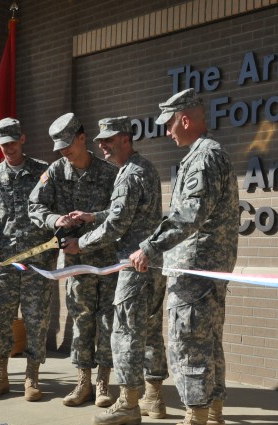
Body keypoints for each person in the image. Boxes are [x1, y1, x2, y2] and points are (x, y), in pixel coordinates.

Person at [129, 88, 239, 425]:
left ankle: (196, 416)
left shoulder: (204, 158)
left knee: (187, 342)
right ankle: (213, 413)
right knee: (207, 342)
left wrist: (149, 246)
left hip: (195, 267)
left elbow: (189, 214)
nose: (166, 131)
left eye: (170, 123)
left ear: (185, 119)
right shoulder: (206, 155)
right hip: (206, 267)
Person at [62, 117, 169, 425]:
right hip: (151, 263)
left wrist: (80, 244)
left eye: (109, 139)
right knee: (149, 332)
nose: (102, 145)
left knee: (126, 334)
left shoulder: (129, 173)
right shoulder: (143, 168)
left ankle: (127, 404)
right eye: (100, 140)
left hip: (133, 266)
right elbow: (122, 211)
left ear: (126, 139)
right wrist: (92, 214)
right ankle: (154, 398)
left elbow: (118, 224)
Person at [28, 112, 119, 408]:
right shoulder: (55, 172)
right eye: (60, 146)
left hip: (106, 260)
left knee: (106, 320)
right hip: (74, 261)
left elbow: (120, 212)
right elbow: (35, 205)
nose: (64, 151)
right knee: (80, 319)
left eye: (68, 143)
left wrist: (94, 224)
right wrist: (56, 219)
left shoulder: (110, 172)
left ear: (82, 137)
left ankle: (103, 382)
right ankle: (83, 382)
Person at [0, 117, 57, 401]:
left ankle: (32, 378)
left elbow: (55, 213)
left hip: (37, 263)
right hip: (4, 262)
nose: (8, 148)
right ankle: (0, 377)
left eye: (12, 142)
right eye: (2, 144)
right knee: (0, 319)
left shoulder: (44, 173)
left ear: (22, 139)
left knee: (37, 320)